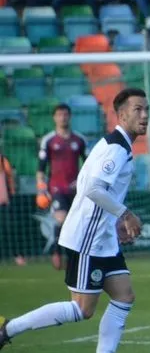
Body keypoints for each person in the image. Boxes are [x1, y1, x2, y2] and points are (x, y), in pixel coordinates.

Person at [0, 89, 150, 353]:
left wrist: (113, 223)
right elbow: (93, 188)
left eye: (146, 110)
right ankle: (8, 329)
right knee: (82, 309)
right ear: (121, 115)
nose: (144, 115)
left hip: (102, 237)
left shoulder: (116, 144)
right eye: (137, 110)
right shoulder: (116, 148)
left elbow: (86, 182)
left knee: (124, 295)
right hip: (88, 238)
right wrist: (125, 214)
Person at [36, 103, 88, 271]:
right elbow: (41, 169)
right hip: (57, 188)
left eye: (65, 114)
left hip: (75, 189)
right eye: (59, 115)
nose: (62, 118)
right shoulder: (49, 140)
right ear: (54, 118)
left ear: (70, 117)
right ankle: (57, 252)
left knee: (76, 224)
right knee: (61, 219)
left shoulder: (79, 140)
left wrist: (82, 181)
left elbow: (88, 165)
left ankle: (73, 257)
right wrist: (41, 189)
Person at [0, 148, 27, 266]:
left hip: (4, 201)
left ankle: (17, 255)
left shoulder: (3, 160)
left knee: (10, 229)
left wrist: (10, 192)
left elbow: (9, 177)